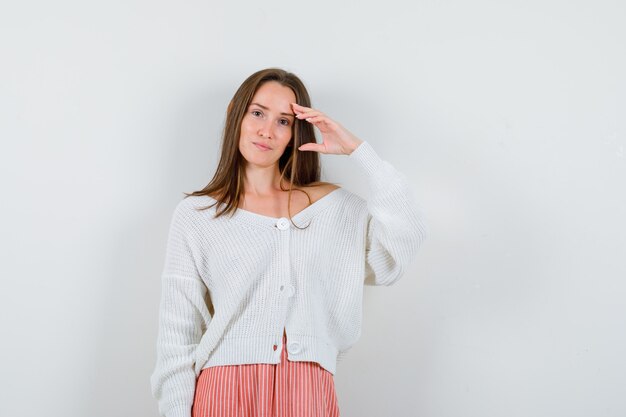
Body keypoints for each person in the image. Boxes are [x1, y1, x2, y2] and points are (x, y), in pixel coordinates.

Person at [149, 68, 428, 417]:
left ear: (295, 132)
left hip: (308, 392)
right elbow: (177, 337)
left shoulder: (335, 209)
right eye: (257, 113)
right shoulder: (198, 215)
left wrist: (359, 152)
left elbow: (399, 252)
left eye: (284, 121)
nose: (267, 130)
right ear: (235, 112)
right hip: (223, 391)